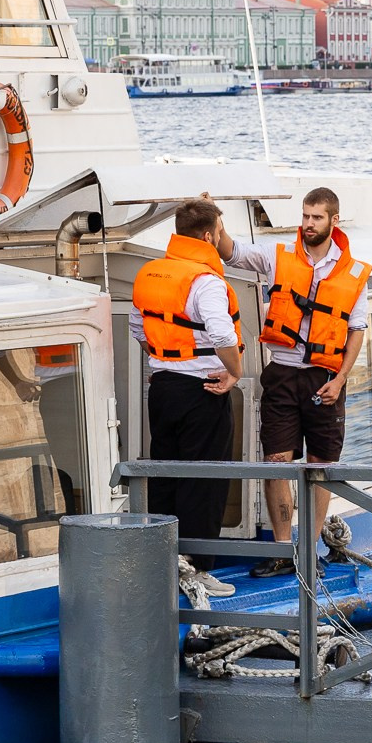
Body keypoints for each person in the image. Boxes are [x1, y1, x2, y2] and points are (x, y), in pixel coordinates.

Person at [247, 187, 370, 560]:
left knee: (320, 464)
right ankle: (284, 552)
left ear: (334, 220)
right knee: (276, 462)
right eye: (304, 216)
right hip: (283, 374)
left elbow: (357, 329)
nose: (308, 224)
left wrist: (341, 378)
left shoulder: (352, 273)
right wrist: (213, 220)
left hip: (324, 379)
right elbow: (232, 251)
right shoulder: (278, 255)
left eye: (316, 217)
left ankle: (309, 550)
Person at [129, 198, 244, 548]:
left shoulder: (150, 273)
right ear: (209, 237)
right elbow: (223, 333)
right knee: (204, 483)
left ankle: (165, 562)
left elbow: (138, 327)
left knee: (166, 475)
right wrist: (234, 373)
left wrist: (166, 360)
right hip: (202, 391)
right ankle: (197, 566)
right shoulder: (205, 281)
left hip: (163, 388)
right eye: (221, 232)